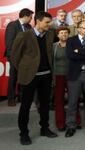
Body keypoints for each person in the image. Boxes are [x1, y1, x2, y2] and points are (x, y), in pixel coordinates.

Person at [12, 11, 58, 145]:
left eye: (50, 22)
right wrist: (25, 69)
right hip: (29, 77)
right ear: (37, 21)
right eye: (47, 22)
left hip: (46, 76)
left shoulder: (50, 34)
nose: (49, 25)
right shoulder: (24, 35)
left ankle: (45, 128)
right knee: (25, 106)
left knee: (45, 105)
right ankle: (24, 133)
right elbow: (15, 57)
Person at [52, 27, 81, 132]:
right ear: (58, 35)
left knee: (73, 99)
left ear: (68, 35)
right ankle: (60, 123)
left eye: (66, 33)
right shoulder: (53, 47)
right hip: (58, 76)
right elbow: (51, 63)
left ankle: (76, 121)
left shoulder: (73, 45)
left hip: (71, 75)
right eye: (61, 33)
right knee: (59, 100)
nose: (64, 34)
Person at [4, 8, 33, 107]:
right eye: (30, 17)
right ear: (25, 16)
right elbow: (9, 43)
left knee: (23, 77)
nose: (31, 19)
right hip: (14, 57)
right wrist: (13, 57)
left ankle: (21, 97)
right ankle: (11, 99)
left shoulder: (29, 26)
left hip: (25, 57)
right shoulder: (13, 25)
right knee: (13, 77)